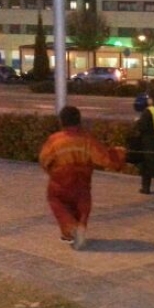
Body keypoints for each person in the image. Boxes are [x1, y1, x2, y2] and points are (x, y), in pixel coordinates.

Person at [38, 105, 126, 250]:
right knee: (82, 205)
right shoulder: (88, 139)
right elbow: (106, 159)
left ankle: (71, 230)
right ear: (79, 121)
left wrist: (51, 172)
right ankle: (78, 229)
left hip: (60, 182)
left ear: (61, 122)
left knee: (57, 202)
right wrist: (120, 154)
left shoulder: (54, 140)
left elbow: (44, 160)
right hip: (82, 181)